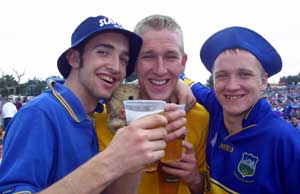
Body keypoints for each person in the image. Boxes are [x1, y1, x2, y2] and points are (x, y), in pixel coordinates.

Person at [0, 15, 186, 194]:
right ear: (74, 58)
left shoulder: (91, 116)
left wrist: (133, 159)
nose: (115, 67)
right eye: (103, 52)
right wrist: (113, 159)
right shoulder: (40, 114)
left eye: (123, 59)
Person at [95, 14, 209, 194]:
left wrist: (194, 178)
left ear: (183, 63)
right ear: (134, 64)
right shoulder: (105, 118)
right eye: (148, 56)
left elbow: (204, 188)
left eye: (170, 56)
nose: (160, 69)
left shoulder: (199, 116)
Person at [180, 26, 300, 193]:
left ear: (263, 81)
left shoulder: (287, 142)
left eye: (244, 74)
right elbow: (186, 81)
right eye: (222, 75)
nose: (232, 86)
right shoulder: (215, 105)